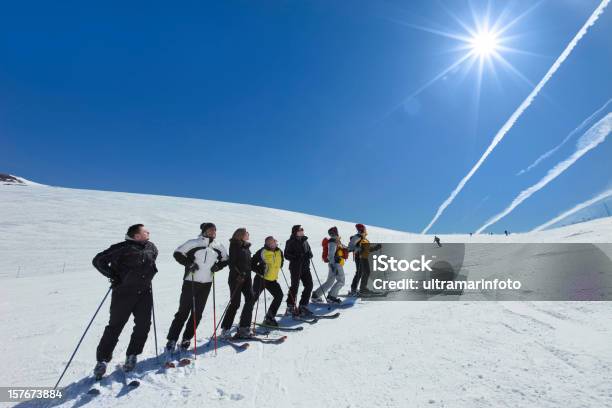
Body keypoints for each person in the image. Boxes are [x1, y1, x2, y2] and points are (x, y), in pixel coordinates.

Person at [91, 224, 158, 378]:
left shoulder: (152, 247)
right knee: (115, 326)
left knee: (143, 325)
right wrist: (113, 275)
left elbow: (152, 261)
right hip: (123, 292)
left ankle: (132, 354)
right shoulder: (121, 247)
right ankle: (102, 360)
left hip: (144, 293)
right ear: (137, 235)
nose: (148, 232)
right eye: (145, 231)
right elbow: (98, 260)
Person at [165, 223, 228, 354]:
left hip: (207, 283)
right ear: (204, 231)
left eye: (215, 230)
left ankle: (187, 338)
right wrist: (189, 263)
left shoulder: (218, 246)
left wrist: (218, 266)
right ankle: (172, 339)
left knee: (197, 313)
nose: (213, 232)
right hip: (190, 281)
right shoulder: (194, 242)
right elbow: (177, 253)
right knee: (183, 312)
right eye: (210, 230)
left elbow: (226, 259)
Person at [220, 228, 255, 339]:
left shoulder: (246, 247)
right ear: (241, 235)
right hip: (237, 278)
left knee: (250, 299)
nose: (248, 234)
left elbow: (248, 263)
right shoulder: (235, 245)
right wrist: (239, 274)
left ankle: (244, 327)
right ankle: (225, 329)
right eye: (246, 233)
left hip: (247, 278)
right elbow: (232, 263)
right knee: (235, 303)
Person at [250, 236, 285, 327]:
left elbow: (281, 262)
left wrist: (279, 265)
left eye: (274, 242)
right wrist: (259, 269)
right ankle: (244, 319)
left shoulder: (279, 251)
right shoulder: (262, 251)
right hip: (261, 279)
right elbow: (252, 263)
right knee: (253, 299)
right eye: (272, 242)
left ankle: (269, 317)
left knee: (279, 296)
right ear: (267, 244)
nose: (274, 243)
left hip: (272, 280)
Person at [284, 225, 314, 316]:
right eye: (300, 230)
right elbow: (286, 255)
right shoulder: (290, 241)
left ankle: (303, 306)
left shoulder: (305, 241)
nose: (302, 231)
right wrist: (296, 256)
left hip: (305, 267)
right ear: (295, 231)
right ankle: (290, 306)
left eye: (302, 229)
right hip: (295, 267)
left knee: (309, 285)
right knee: (295, 286)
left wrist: (309, 255)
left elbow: (309, 252)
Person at [312, 226, 346, 303]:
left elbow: (343, 247)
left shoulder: (336, 241)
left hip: (333, 263)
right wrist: (333, 264)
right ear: (336, 232)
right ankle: (332, 296)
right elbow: (331, 254)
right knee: (341, 281)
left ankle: (316, 295)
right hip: (335, 264)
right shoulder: (333, 241)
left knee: (329, 281)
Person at [348, 224, 381, 295]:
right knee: (361, 272)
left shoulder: (364, 239)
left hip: (364, 257)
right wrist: (358, 249)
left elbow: (367, 249)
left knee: (364, 272)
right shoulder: (358, 236)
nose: (364, 230)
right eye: (363, 228)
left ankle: (360, 288)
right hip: (359, 257)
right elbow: (350, 247)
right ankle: (359, 289)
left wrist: (376, 248)